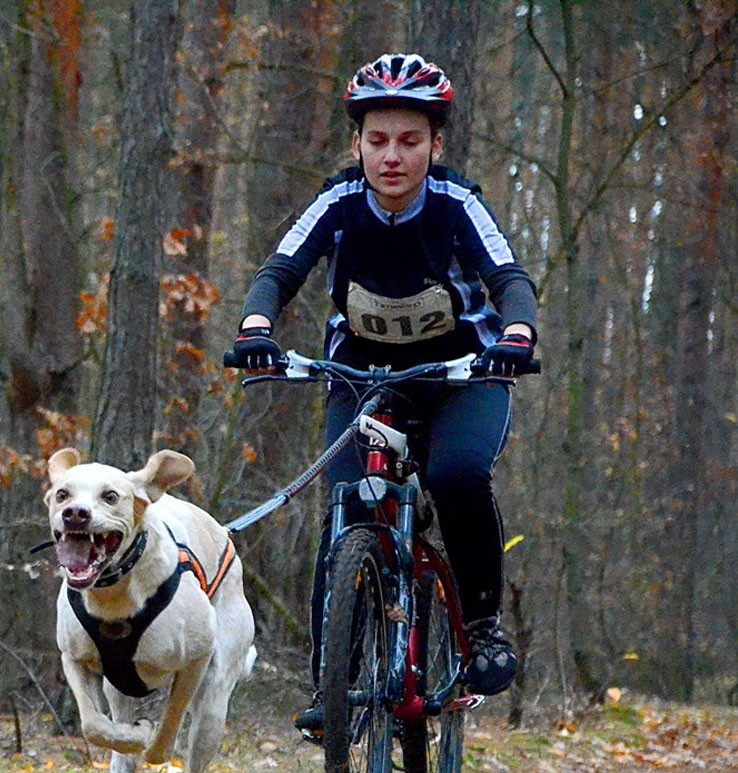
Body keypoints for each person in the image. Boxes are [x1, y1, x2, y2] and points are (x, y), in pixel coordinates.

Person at [229, 53, 538, 733]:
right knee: (348, 510)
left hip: (463, 377)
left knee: (456, 474)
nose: (391, 156)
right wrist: (257, 326)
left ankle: (482, 626)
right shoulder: (338, 204)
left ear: (435, 143)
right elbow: (279, 271)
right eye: (377, 140)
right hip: (362, 378)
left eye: (408, 140)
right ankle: (332, 684)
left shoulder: (458, 205)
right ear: (356, 144)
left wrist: (517, 333)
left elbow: (510, 277)